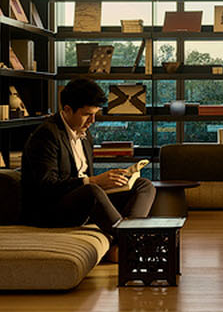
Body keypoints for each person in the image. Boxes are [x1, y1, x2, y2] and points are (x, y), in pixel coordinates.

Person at [22, 77, 156, 231]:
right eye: (87, 114)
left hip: (85, 202)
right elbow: (47, 187)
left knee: (144, 185)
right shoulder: (47, 135)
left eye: (95, 114)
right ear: (67, 110)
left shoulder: (85, 134)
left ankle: (127, 235)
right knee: (91, 190)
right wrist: (91, 181)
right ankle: (129, 239)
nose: (92, 120)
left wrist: (112, 182)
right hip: (51, 210)